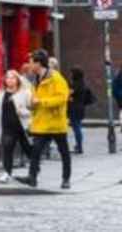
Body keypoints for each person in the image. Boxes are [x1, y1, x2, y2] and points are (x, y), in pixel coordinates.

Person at [23, 49, 72, 190]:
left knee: (64, 151)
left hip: (56, 122)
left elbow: (62, 98)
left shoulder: (56, 78)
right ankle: (32, 178)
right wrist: (31, 105)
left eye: (31, 62)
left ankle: (66, 179)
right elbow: (35, 99)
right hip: (41, 122)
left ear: (38, 63)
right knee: (36, 151)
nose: (29, 65)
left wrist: (42, 102)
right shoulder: (35, 79)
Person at [0, 68, 33, 183]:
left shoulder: (25, 93)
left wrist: (23, 111)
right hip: (7, 127)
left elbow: (32, 110)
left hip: (22, 127)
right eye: (7, 78)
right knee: (7, 149)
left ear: (18, 80)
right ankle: (7, 172)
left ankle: (34, 170)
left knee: (28, 149)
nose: (10, 80)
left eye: (13, 78)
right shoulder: (0, 94)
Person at [67, 67, 95, 155]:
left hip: (74, 108)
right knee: (78, 126)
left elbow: (68, 94)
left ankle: (79, 146)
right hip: (81, 107)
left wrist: (69, 98)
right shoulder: (83, 84)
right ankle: (79, 145)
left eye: (71, 73)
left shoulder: (75, 84)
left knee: (76, 128)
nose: (70, 75)